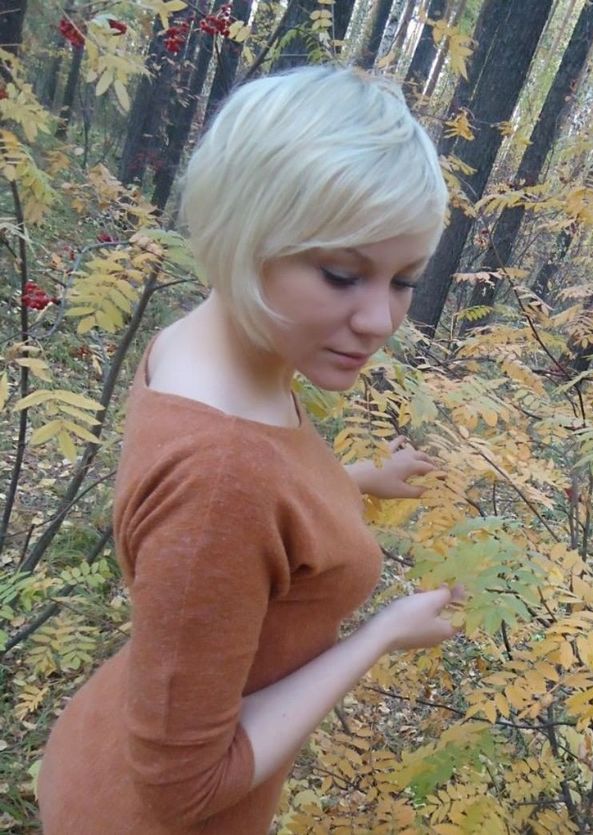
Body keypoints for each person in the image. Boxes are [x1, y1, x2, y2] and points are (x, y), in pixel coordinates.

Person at [37, 65, 461, 834]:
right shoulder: (223, 474)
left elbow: (251, 523)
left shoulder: (211, 351)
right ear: (244, 233)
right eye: (342, 274)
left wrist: (357, 478)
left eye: (405, 280)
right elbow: (182, 790)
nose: (380, 319)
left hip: (103, 741)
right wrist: (382, 634)